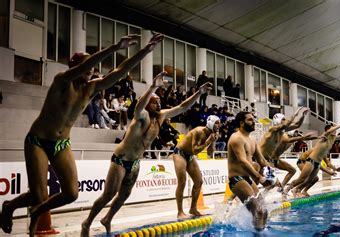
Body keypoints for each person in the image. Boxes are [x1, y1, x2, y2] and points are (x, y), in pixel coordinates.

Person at [0, 34, 162, 236]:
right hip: (38, 141)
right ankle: (9, 206)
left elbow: (121, 72)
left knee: (71, 194)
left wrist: (145, 51)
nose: (92, 70)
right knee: (38, 195)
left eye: (93, 67)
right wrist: (113, 48)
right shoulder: (62, 81)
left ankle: (37, 212)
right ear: (75, 67)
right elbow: (85, 67)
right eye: (87, 66)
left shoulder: (91, 88)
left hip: (61, 143)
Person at [80, 72, 213, 236]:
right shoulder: (141, 116)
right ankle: (86, 223)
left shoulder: (161, 116)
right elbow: (138, 107)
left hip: (135, 162)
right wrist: (153, 87)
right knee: (109, 194)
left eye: (159, 102)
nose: (159, 104)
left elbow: (182, 107)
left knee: (123, 196)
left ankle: (107, 219)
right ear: (149, 103)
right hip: (121, 159)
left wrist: (198, 93)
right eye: (155, 102)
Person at [285, 120, 340, 196]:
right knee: (302, 179)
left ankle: (297, 190)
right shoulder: (324, 137)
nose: (335, 131)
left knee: (310, 180)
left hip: (317, 163)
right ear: (328, 130)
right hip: (310, 161)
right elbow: (328, 132)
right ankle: (286, 190)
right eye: (334, 129)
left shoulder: (333, 139)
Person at [227, 111, 274, 231]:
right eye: (250, 120)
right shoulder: (236, 138)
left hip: (247, 179)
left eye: (253, 119)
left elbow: (261, 160)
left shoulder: (252, 140)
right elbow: (243, 161)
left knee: (264, 211)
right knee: (258, 210)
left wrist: (273, 176)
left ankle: (259, 232)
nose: (254, 122)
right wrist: (260, 178)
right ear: (242, 123)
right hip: (237, 179)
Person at [172, 115, 221, 219]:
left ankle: (193, 208)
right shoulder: (199, 131)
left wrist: (213, 141)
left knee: (199, 181)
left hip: (189, 156)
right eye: (217, 123)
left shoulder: (212, 134)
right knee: (182, 182)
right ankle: (180, 212)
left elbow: (209, 153)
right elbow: (195, 150)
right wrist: (208, 141)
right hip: (179, 153)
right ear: (211, 123)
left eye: (219, 123)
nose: (219, 125)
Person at [259, 107, 309, 193]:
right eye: (283, 119)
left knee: (289, 172)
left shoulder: (282, 132)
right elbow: (286, 128)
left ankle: (263, 197)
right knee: (269, 182)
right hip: (261, 159)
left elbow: (297, 125)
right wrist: (294, 114)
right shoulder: (272, 130)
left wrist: (302, 116)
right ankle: (257, 199)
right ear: (277, 121)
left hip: (271, 160)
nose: (285, 121)